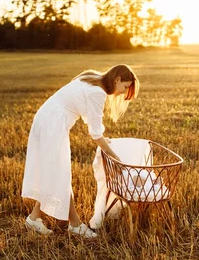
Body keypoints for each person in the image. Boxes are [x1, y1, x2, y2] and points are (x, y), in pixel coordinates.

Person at [21, 64, 139, 238]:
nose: (123, 92)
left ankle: (34, 218)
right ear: (117, 79)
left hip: (47, 117)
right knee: (60, 173)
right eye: (125, 87)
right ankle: (75, 224)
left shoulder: (91, 77)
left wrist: (104, 140)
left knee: (56, 172)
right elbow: (95, 133)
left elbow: (88, 116)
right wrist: (114, 155)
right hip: (53, 123)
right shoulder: (98, 92)